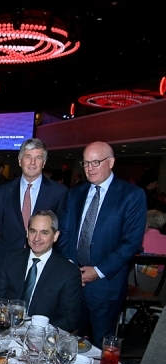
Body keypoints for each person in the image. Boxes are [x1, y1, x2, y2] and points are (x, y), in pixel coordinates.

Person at [58, 141, 146, 344]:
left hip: (106, 286)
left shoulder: (131, 195)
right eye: (86, 163)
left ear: (111, 162)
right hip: (73, 283)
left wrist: (97, 271)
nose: (90, 168)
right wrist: (72, 270)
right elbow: (63, 234)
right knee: (67, 342)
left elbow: (131, 242)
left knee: (101, 346)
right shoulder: (75, 194)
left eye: (96, 162)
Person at [0, 210, 82, 332]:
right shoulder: (11, 259)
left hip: (41, 336)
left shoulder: (68, 273)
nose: (37, 238)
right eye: (33, 231)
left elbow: (69, 319)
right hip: (6, 328)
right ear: (27, 233)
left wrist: (36, 330)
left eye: (44, 232)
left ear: (55, 236)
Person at [0, 138, 66, 274]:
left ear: (43, 163)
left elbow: (61, 229)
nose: (32, 163)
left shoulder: (59, 192)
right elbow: (1, 225)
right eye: (28, 157)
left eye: (38, 158)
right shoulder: (3, 191)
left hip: (43, 265)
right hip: (7, 262)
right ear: (20, 161)